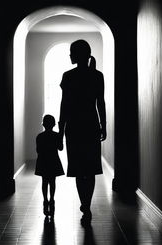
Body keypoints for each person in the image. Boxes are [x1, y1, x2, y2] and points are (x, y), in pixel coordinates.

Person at [58, 39, 107, 226]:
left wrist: (60, 130)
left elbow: (64, 106)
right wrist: (104, 125)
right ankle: (86, 204)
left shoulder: (68, 76)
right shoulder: (97, 76)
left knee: (79, 169)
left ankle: (84, 204)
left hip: (74, 127)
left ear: (78, 55)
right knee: (91, 168)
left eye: (72, 52)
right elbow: (100, 103)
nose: (70, 55)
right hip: (91, 125)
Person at [35, 114, 64, 218]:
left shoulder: (39, 136)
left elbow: (38, 150)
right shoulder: (56, 136)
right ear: (53, 125)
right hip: (53, 160)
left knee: (44, 181)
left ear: (43, 124)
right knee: (52, 182)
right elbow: (60, 148)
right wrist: (61, 134)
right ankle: (52, 199)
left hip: (43, 161)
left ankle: (45, 200)